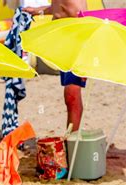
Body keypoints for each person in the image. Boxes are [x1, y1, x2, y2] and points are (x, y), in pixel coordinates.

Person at [23, 0, 88, 131]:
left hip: (75, 40)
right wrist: (39, 11)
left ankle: (72, 141)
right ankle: (71, 138)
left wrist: (85, 58)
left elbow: (81, 15)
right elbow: (60, 7)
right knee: (69, 96)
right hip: (64, 39)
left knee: (72, 94)